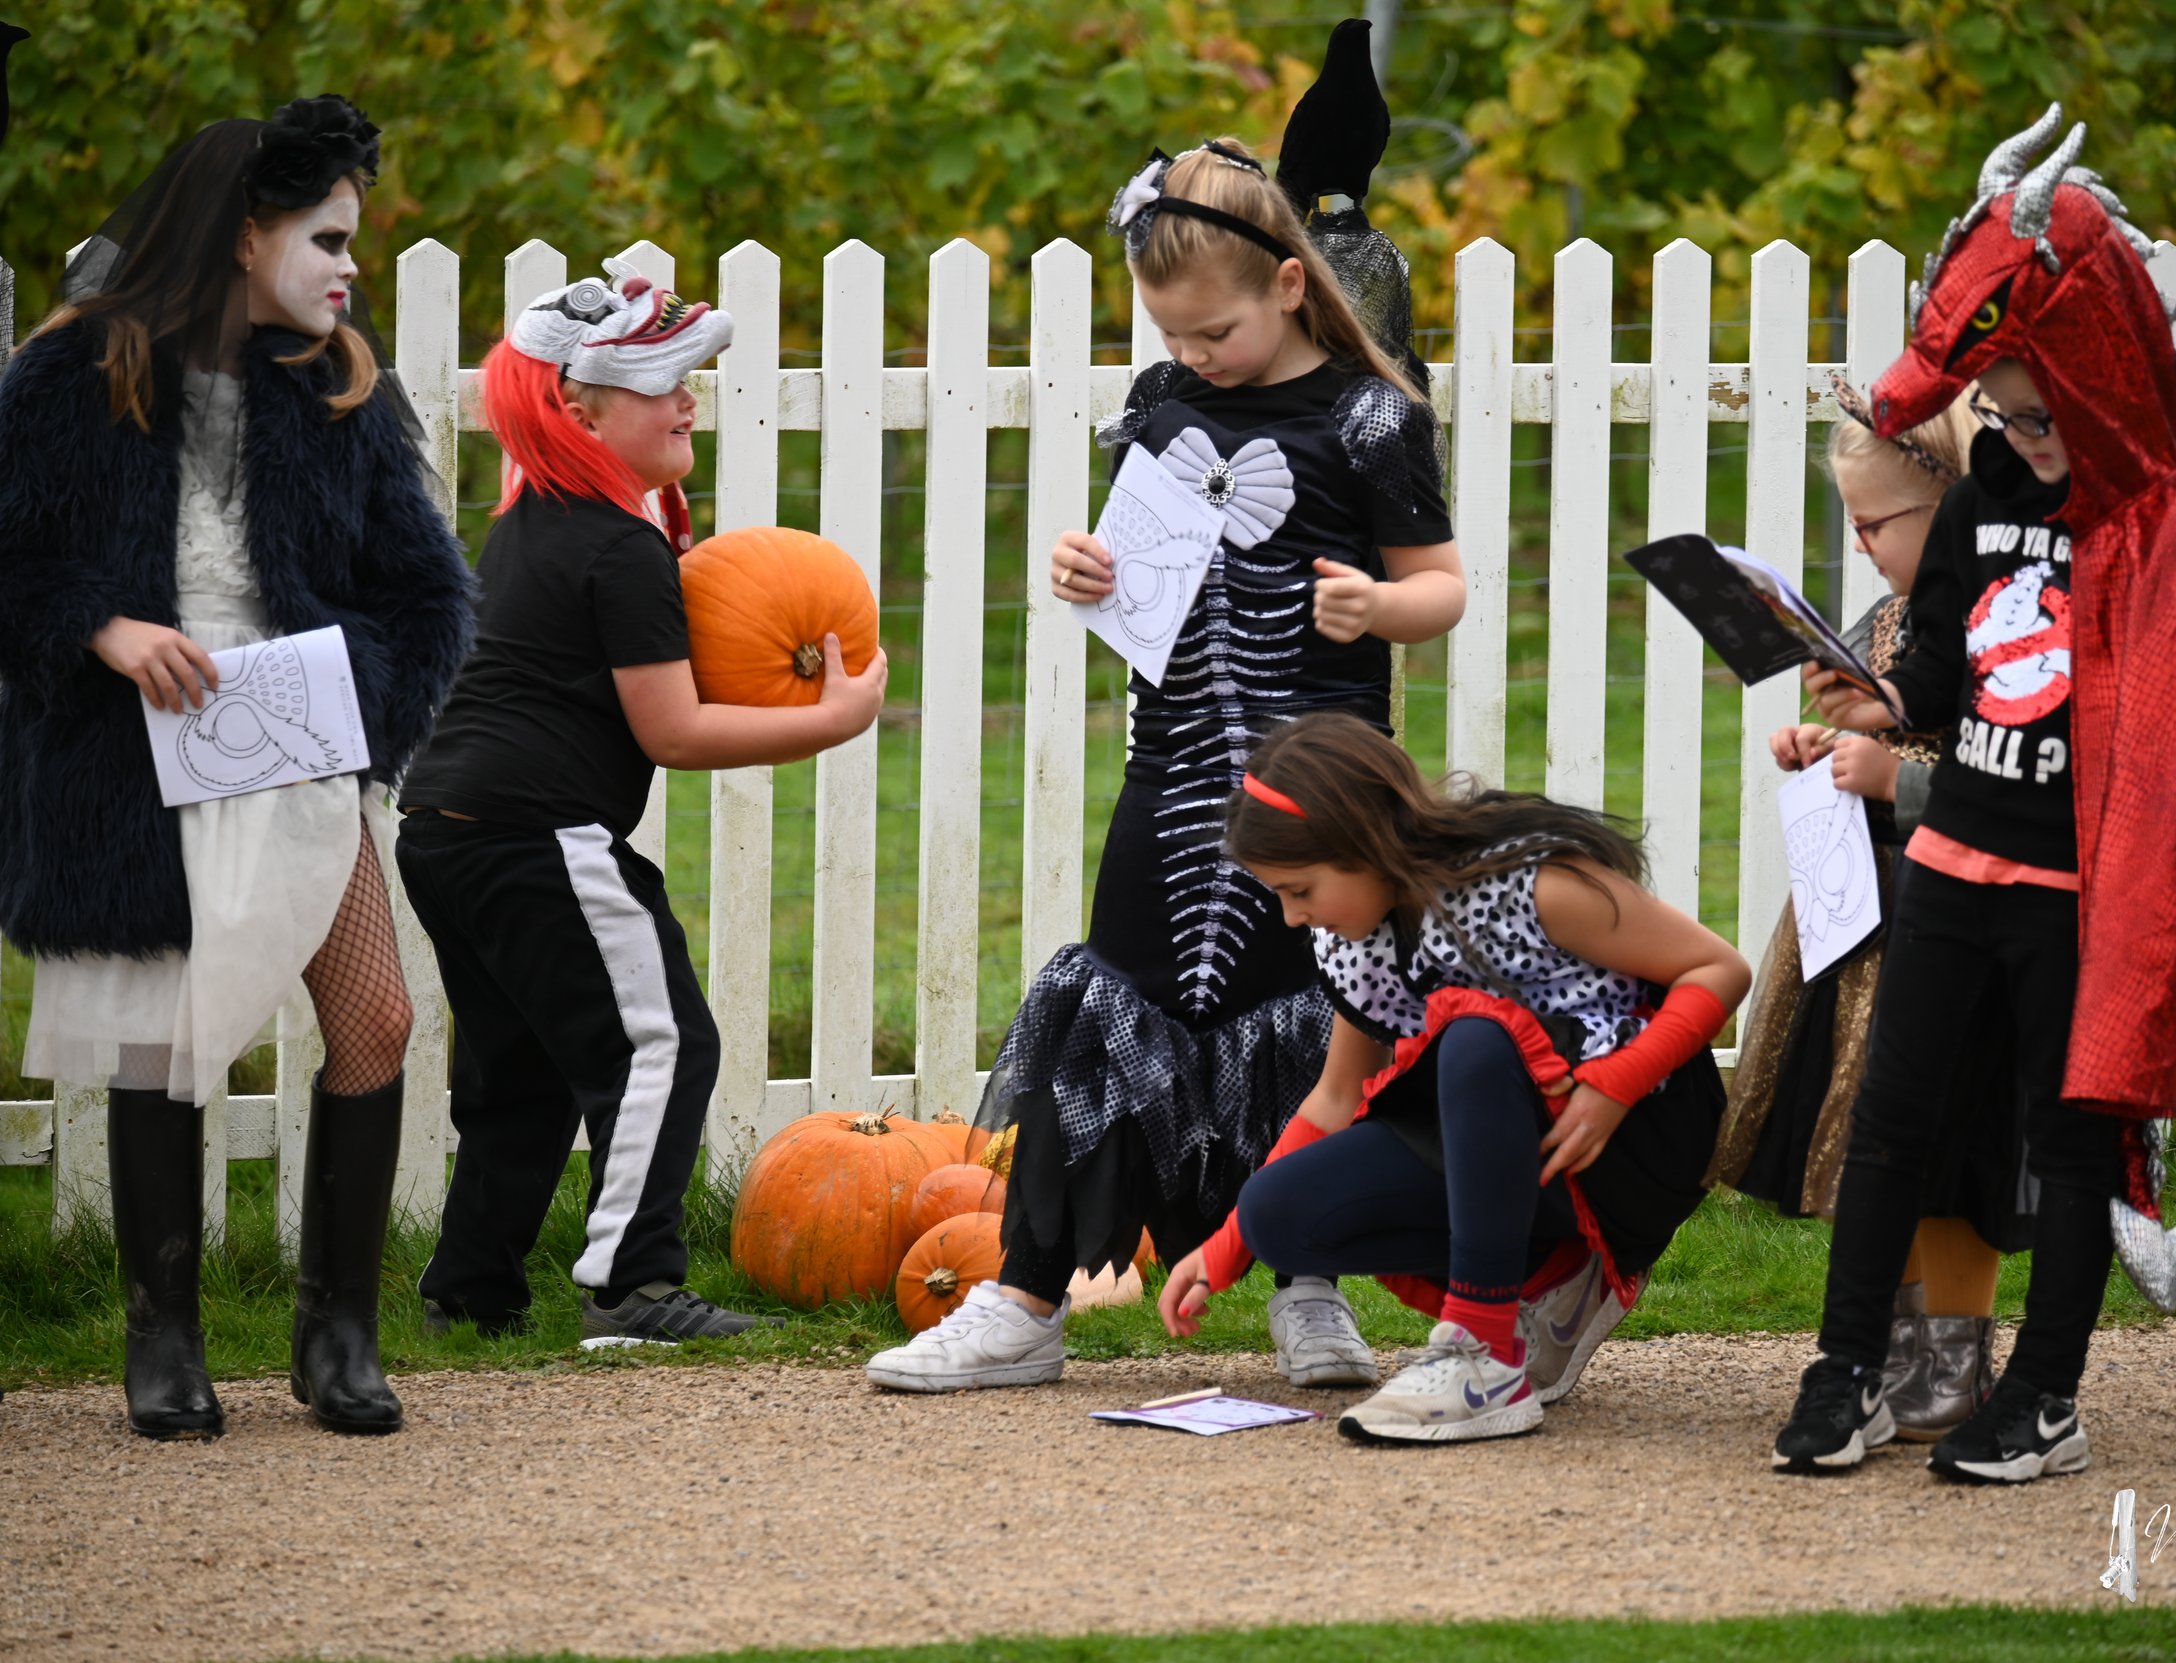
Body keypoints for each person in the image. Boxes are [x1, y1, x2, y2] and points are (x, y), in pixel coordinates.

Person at [864, 134, 1464, 1394]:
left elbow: (1443, 589)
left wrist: (1375, 606)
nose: (1194, 355)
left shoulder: (1372, 414)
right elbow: (1140, 569)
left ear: (1291, 286)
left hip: (1326, 787)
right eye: (1173, 333)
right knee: (1111, 1006)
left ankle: (1308, 1288)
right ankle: (1026, 1298)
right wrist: (1088, 574)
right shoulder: (1160, 404)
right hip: (1177, 764)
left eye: (1216, 333)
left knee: (1313, 1020)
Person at [1774, 107, 2176, 1483]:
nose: (2023, 436)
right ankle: (1840, 1372)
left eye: (2045, 414)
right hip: (1955, 857)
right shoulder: (1987, 493)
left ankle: (2046, 1392)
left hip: (2074, 891)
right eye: (2002, 413)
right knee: (1895, 1114)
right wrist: (1881, 703)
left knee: (2070, 1143)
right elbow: (1938, 666)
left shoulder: (2159, 522)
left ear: (2103, 375)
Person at [0, 96, 476, 1438]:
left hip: (305, 754)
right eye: (326, 236)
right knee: (165, 1035)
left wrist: (355, 711)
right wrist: (102, 624)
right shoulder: (78, 373)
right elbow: (14, 557)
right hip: (133, 761)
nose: (348, 266)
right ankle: (165, 1335)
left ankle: (337, 1331)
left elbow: (429, 596)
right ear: (242, 232)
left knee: (376, 1018)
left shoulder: (340, 390)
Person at [394, 266, 888, 1345]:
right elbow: (674, 731)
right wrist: (834, 718)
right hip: (538, 833)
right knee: (662, 1042)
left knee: (521, 1070)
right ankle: (631, 1286)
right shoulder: (614, 548)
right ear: (578, 406)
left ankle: (470, 1288)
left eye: (691, 377)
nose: (687, 400)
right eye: (661, 381)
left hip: (444, 829)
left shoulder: (541, 517)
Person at [1149, 713, 1747, 1442]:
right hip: (1518, 1137)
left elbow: (1719, 969)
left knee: (1476, 1035)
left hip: (1638, 1134)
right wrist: (1228, 1241)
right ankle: (1549, 1281)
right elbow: (1336, 1099)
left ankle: (1484, 1351)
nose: (1290, 915)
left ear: (1360, 845)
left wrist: (1619, 1082)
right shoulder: (1354, 945)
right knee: (1280, 1213)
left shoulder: (1530, 884)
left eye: (1299, 888)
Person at [1712, 384, 2033, 1442]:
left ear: (1947, 502)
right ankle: (1893, 1341)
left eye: (1876, 526)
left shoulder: (2005, 625)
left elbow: (2016, 786)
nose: (1863, 547)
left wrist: (1892, 780)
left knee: (1949, 1145)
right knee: (1864, 1141)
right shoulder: (1885, 622)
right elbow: (1875, 729)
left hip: (1962, 925)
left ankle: (1955, 1346)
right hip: (1866, 925)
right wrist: (1825, 745)